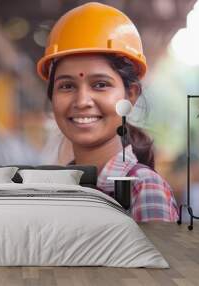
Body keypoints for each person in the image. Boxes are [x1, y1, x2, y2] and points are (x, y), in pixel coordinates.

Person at [37, 2, 178, 222]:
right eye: (66, 86)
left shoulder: (142, 189)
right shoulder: (57, 190)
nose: (82, 101)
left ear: (130, 95)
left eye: (100, 84)